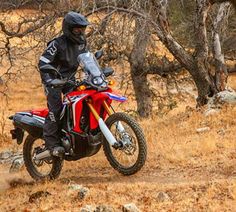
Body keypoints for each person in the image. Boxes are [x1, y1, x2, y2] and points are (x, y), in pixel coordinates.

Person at [38, 11, 90, 157]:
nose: (80, 32)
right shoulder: (57, 44)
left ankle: (76, 135)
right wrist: (49, 80)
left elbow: (87, 59)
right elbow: (43, 62)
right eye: (77, 29)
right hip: (53, 80)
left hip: (69, 79)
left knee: (82, 101)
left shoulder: (82, 42)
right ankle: (51, 145)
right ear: (68, 28)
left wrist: (94, 73)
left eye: (83, 29)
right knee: (55, 110)